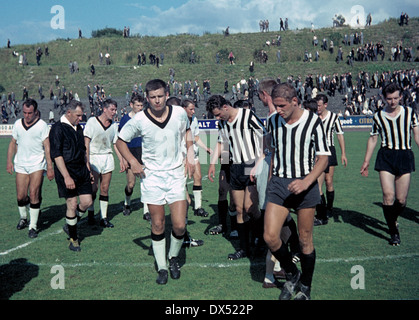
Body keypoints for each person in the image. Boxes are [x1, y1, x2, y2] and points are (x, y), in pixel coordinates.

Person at [116, 79, 195, 285]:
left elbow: (187, 131)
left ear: (167, 94)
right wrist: (133, 161)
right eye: (152, 97)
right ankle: (162, 267)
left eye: (160, 96)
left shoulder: (178, 113)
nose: (157, 101)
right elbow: (120, 141)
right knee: (158, 224)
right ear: (147, 98)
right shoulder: (140, 120)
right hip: (152, 177)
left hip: (176, 173)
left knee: (178, 225)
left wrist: (190, 154)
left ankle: (173, 257)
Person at [264, 83, 330, 300]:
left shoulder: (312, 122)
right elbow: (272, 149)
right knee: (270, 236)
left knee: (304, 240)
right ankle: (292, 274)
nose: (278, 110)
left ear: (295, 101)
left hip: (305, 184)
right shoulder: (273, 121)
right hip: (279, 184)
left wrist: (306, 181)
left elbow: (323, 158)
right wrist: (271, 176)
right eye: (275, 105)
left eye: (282, 105)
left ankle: (306, 287)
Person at [253, 79, 301, 288]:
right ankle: (270, 274)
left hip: (273, 172)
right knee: (276, 226)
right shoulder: (277, 118)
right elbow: (271, 152)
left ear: (265, 95)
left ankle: (280, 266)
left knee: (284, 222)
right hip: (277, 175)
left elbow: (266, 150)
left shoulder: (274, 117)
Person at [207, 95, 266, 260]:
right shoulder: (223, 123)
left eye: (219, 114)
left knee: (251, 208)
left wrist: (260, 161)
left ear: (226, 107)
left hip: (252, 164)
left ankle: (260, 238)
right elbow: (221, 143)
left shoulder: (247, 116)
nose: (218, 118)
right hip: (235, 167)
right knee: (239, 209)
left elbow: (265, 137)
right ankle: (244, 248)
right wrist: (212, 163)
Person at [360, 82, 419, 246]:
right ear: (384, 99)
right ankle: (393, 232)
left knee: (401, 200)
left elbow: (417, 135)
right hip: (386, 156)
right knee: (388, 196)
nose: (393, 102)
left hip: (405, 156)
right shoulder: (378, 116)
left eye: (395, 98)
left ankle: (392, 218)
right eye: (389, 99)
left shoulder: (409, 112)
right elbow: (373, 139)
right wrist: (366, 162)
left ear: (400, 96)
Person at [49, 100, 94, 251]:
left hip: (81, 170)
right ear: (69, 113)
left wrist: (88, 170)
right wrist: (67, 176)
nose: (80, 118)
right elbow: (56, 154)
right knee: (72, 203)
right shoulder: (57, 128)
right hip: (66, 171)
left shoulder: (79, 128)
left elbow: (83, 151)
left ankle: (71, 224)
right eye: (78, 115)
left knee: (87, 201)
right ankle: (74, 239)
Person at [6, 99, 54, 238]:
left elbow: (47, 146)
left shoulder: (42, 125)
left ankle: (32, 227)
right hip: (21, 164)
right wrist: (9, 161)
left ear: (36, 111)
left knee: (33, 193)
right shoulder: (17, 124)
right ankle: (24, 217)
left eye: (30, 113)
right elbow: (12, 143)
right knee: (21, 197)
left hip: (37, 164)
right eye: (25, 112)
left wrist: (49, 167)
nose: (27, 116)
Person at [84, 99, 122, 228]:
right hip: (94, 158)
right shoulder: (92, 122)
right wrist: (87, 161)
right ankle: (90, 212)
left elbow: (116, 143)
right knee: (93, 188)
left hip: (107, 157)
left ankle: (103, 218)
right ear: (104, 109)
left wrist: (122, 159)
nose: (114, 112)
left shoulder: (113, 125)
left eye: (115, 110)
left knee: (105, 188)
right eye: (112, 109)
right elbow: (86, 143)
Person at [314, 94, 348, 225]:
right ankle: (321, 212)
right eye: (316, 105)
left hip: (329, 151)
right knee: (318, 184)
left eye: (319, 105)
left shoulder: (334, 118)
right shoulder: (313, 117)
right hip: (317, 152)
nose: (317, 108)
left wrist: (343, 153)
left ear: (325, 105)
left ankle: (329, 208)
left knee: (329, 182)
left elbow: (340, 135)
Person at [118, 93, 150, 221]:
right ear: (131, 105)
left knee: (146, 182)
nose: (140, 108)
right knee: (131, 184)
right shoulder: (125, 119)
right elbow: (120, 141)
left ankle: (146, 211)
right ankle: (127, 203)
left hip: (144, 152)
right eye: (137, 105)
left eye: (142, 105)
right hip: (130, 152)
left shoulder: (145, 117)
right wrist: (123, 158)